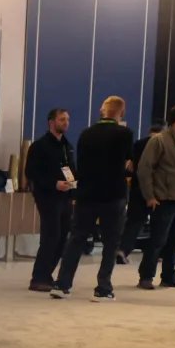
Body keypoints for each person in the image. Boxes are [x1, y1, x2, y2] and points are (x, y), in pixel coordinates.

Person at [50, 96, 134, 302]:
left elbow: (81, 164)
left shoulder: (86, 133)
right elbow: (128, 163)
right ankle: (103, 288)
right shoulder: (125, 133)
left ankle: (62, 284)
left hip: (87, 194)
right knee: (111, 242)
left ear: (102, 110)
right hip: (113, 194)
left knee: (76, 238)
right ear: (121, 112)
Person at [135, 103, 175, 290]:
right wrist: (150, 196)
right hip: (165, 200)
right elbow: (144, 168)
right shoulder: (159, 140)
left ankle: (169, 276)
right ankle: (146, 276)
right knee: (158, 240)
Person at [25, 108, 76, 291]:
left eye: (67, 119)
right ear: (51, 122)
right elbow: (32, 172)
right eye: (62, 119)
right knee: (51, 235)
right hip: (47, 197)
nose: (66, 123)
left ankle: (47, 274)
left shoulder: (67, 146)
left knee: (62, 237)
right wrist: (54, 184)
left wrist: (73, 187)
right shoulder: (39, 146)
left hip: (65, 197)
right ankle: (38, 277)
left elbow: (71, 169)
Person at [117, 120, 165, 264]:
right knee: (159, 224)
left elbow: (130, 166)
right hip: (158, 189)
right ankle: (156, 253)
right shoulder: (163, 144)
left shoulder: (138, 144)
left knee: (134, 222)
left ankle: (123, 250)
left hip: (138, 188)